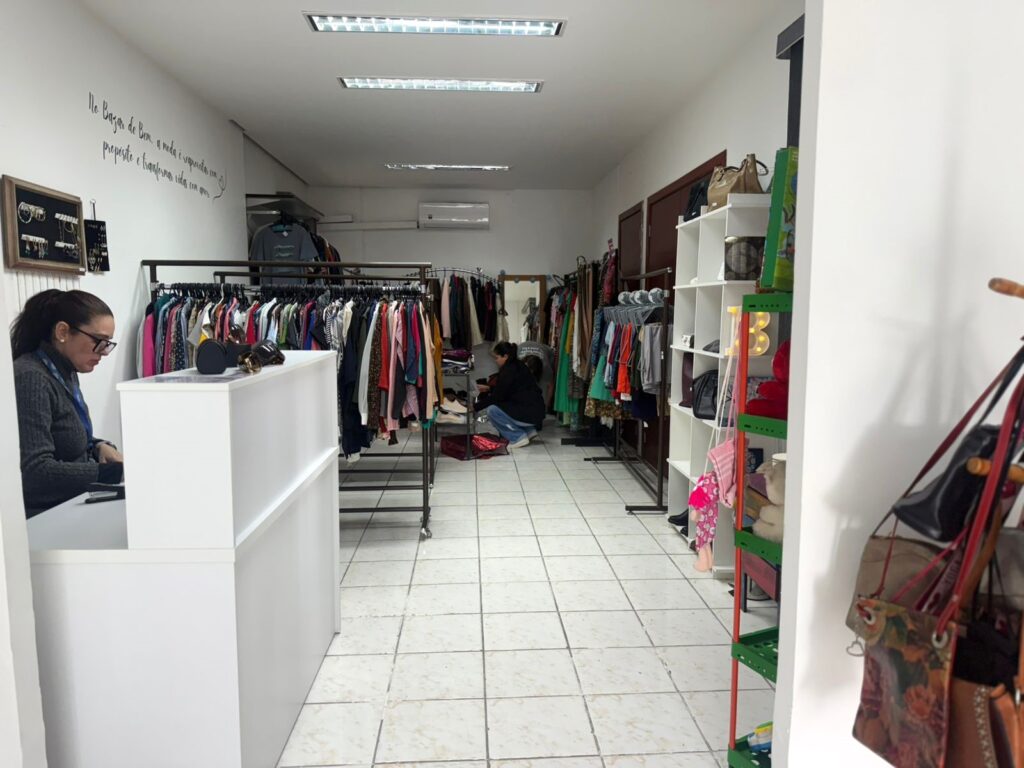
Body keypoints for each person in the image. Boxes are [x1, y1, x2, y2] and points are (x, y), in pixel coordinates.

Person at [11, 289, 123, 516]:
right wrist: (112, 474)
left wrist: (97, 446)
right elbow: (35, 473)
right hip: (45, 517)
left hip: (71, 506)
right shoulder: (31, 378)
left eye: (108, 343)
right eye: (99, 341)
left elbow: (64, 436)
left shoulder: (65, 372)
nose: (104, 352)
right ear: (62, 332)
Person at [475, 341, 546, 449]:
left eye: (497, 358)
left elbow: (497, 397)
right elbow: (511, 390)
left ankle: (518, 437)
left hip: (529, 413)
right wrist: (490, 388)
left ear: (505, 356)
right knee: (506, 405)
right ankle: (529, 431)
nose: (496, 361)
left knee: (492, 410)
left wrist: (475, 407)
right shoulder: (518, 365)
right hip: (536, 412)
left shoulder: (508, 370)